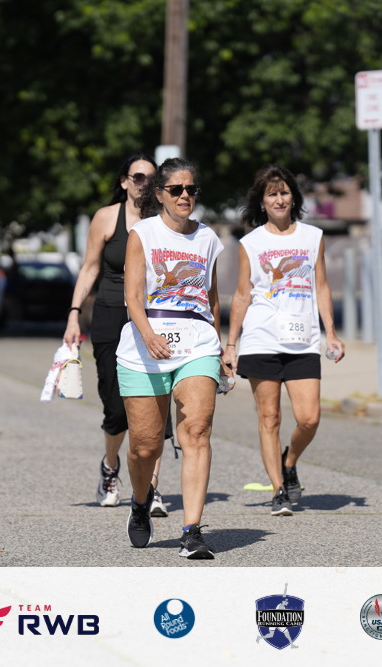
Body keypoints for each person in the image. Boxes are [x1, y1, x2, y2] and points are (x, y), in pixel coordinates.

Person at [116, 157, 225, 559]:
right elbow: (133, 296)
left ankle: (192, 531)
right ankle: (140, 501)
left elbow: (211, 298)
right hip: (146, 344)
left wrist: (221, 347)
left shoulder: (208, 238)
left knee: (196, 430)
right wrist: (148, 335)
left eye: (191, 189)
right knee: (145, 447)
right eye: (176, 189)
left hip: (197, 344)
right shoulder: (142, 234)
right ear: (159, 194)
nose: (185, 196)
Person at [224, 164, 345, 516]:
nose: (279, 199)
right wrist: (231, 345)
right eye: (271, 194)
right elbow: (243, 293)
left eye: (284, 192)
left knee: (309, 418)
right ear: (262, 201)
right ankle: (278, 489)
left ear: (294, 197)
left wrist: (331, 332)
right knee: (270, 417)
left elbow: (321, 286)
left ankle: (289, 462)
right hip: (261, 338)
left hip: (302, 340)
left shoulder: (312, 237)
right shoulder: (250, 243)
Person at [63, 153, 173, 517]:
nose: (144, 183)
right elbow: (89, 268)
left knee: (158, 405)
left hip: (155, 318)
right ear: (124, 181)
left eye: (151, 178)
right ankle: (110, 467)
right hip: (112, 316)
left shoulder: (164, 221)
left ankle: (151, 487)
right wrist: (74, 315)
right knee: (115, 407)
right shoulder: (107, 218)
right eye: (137, 177)